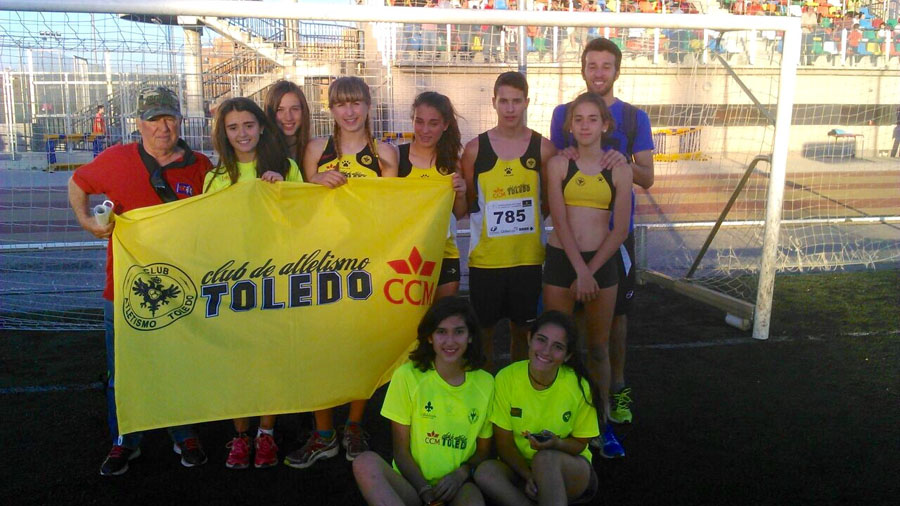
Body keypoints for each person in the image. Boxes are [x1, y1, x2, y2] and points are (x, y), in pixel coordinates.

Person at [68, 86, 212, 476]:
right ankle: (125, 439)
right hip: (123, 289)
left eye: (169, 118)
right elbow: (78, 183)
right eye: (153, 119)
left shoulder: (201, 166)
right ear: (138, 124)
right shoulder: (116, 159)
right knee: (125, 370)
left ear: (180, 121)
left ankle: (184, 434)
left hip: (182, 288)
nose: (162, 127)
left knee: (181, 364)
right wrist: (86, 221)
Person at [285, 76, 399, 469]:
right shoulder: (316, 149)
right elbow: (301, 206)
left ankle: (353, 425)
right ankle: (323, 433)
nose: (349, 112)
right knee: (319, 347)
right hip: (322, 264)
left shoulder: (385, 154)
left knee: (360, 348)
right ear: (330, 109)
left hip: (365, 266)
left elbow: (391, 212)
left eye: (356, 103)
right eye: (340, 104)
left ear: (368, 106)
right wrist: (314, 182)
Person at [549, 37, 655, 457]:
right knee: (559, 336)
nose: (598, 72)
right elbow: (560, 164)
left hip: (610, 246)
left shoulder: (633, 118)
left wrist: (621, 161)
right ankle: (560, 414)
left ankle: (611, 401)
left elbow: (646, 178)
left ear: (617, 70)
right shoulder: (562, 122)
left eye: (606, 65)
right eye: (591, 64)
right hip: (567, 251)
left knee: (610, 331)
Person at [203, 97, 303, 469]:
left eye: (248, 125)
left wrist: (282, 193)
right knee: (238, 361)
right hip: (233, 283)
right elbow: (207, 231)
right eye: (233, 127)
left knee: (270, 358)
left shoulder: (287, 168)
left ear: (261, 127)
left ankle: (266, 433)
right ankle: (241, 436)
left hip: (275, 280)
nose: (242, 134)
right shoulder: (215, 178)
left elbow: (305, 220)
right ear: (224, 133)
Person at [543, 93, 632, 459]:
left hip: (601, 265)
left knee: (597, 348)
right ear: (570, 126)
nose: (585, 125)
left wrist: (590, 271)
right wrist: (579, 270)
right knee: (556, 347)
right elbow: (559, 220)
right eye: (578, 119)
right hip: (563, 262)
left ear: (605, 125)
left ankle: (601, 422)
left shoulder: (620, 168)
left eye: (592, 119)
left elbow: (620, 229)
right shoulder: (559, 165)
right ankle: (554, 421)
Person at [353, 297, 493, 506]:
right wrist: (425, 491)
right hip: (413, 485)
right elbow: (401, 451)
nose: (450, 341)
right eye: (441, 332)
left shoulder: (486, 383)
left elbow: (483, 452)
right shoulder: (407, 376)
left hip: (457, 487)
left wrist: (460, 474)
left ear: (471, 336)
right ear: (429, 337)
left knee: (473, 499)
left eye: (459, 332)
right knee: (364, 463)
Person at [460, 71, 556, 370]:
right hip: (486, 261)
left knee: (523, 334)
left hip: (527, 260)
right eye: (504, 101)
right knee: (484, 334)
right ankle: (487, 390)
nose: (510, 108)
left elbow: (548, 203)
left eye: (516, 101)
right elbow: (469, 203)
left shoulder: (544, 148)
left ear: (527, 102)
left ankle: (516, 389)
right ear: (494, 102)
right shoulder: (474, 150)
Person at [474, 311, 600, 505]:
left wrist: (556, 444)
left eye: (557, 347)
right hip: (521, 469)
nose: (546, 351)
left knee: (544, 459)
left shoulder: (579, 386)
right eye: (541, 340)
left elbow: (580, 444)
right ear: (529, 339)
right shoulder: (506, 378)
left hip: (569, 470)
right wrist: (528, 476)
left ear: (567, 355)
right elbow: (504, 444)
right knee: (485, 472)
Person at [399, 91, 468, 300]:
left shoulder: (452, 162)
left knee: (443, 315)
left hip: (444, 254)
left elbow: (459, 213)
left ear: (445, 125)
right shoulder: (397, 157)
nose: (425, 130)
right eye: (419, 122)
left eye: (433, 123)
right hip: (405, 254)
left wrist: (461, 193)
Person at [264, 79, 311, 169]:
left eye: (294, 109)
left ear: (303, 111)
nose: (288, 117)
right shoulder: (260, 152)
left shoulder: (316, 150)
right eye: (280, 110)